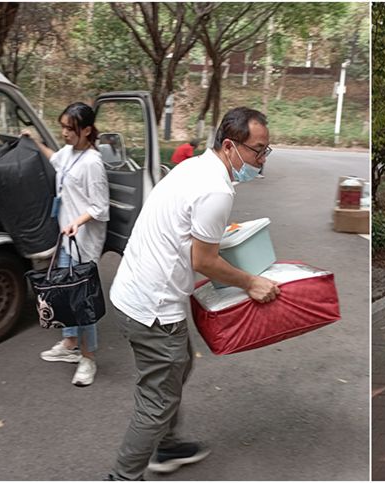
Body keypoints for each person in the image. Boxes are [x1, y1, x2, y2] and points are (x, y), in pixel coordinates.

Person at [105, 107, 280, 480]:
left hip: (131, 293)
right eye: (257, 150)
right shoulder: (216, 189)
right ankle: (123, 476)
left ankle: (166, 445)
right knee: (156, 402)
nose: (262, 159)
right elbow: (204, 260)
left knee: (180, 363)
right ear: (230, 146)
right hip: (153, 308)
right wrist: (251, 282)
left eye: (266, 150)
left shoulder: (193, 167)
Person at [23, 102, 110, 387]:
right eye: (62, 127)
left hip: (83, 242)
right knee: (64, 293)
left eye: (69, 128)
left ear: (86, 130)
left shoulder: (92, 163)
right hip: (66, 239)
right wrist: (35, 141)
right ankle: (70, 344)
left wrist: (77, 222)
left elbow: (100, 206)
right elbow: (56, 160)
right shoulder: (70, 152)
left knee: (82, 301)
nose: (64, 133)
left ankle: (88, 358)